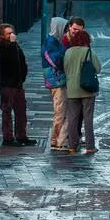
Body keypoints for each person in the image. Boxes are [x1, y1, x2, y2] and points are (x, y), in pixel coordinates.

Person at [0, 23, 35, 146]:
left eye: (12, 32)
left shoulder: (15, 46)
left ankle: (22, 136)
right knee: (7, 111)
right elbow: (7, 61)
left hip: (18, 84)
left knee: (21, 111)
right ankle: (8, 138)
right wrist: (11, 44)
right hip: (7, 84)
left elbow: (21, 61)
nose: (12, 35)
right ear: (2, 35)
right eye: (8, 33)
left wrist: (23, 76)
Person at [62, 30, 102, 153]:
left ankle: (72, 145)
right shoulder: (89, 52)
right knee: (88, 118)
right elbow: (98, 68)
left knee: (72, 118)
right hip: (87, 89)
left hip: (72, 89)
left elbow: (65, 68)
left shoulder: (68, 52)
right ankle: (90, 146)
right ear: (87, 40)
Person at [43, 17, 69, 150]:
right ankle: (56, 140)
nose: (66, 32)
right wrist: (66, 49)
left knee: (61, 110)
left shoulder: (54, 41)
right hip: (56, 81)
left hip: (57, 80)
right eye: (64, 29)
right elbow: (56, 61)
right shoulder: (51, 42)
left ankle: (58, 140)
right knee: (60, 111)